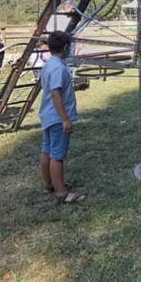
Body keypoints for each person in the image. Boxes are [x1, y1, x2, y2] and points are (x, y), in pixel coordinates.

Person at [39, 31, 85, 204]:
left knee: (47, 151)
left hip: (48, 115)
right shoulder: (59, 67)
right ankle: (61, 193)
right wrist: (65, 119)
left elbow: (53, 87)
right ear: (66, 47)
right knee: (57, 155)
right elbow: (56, 94)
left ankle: (48, 185)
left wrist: (73, 88)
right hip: (58, 118)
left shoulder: (49, 64)